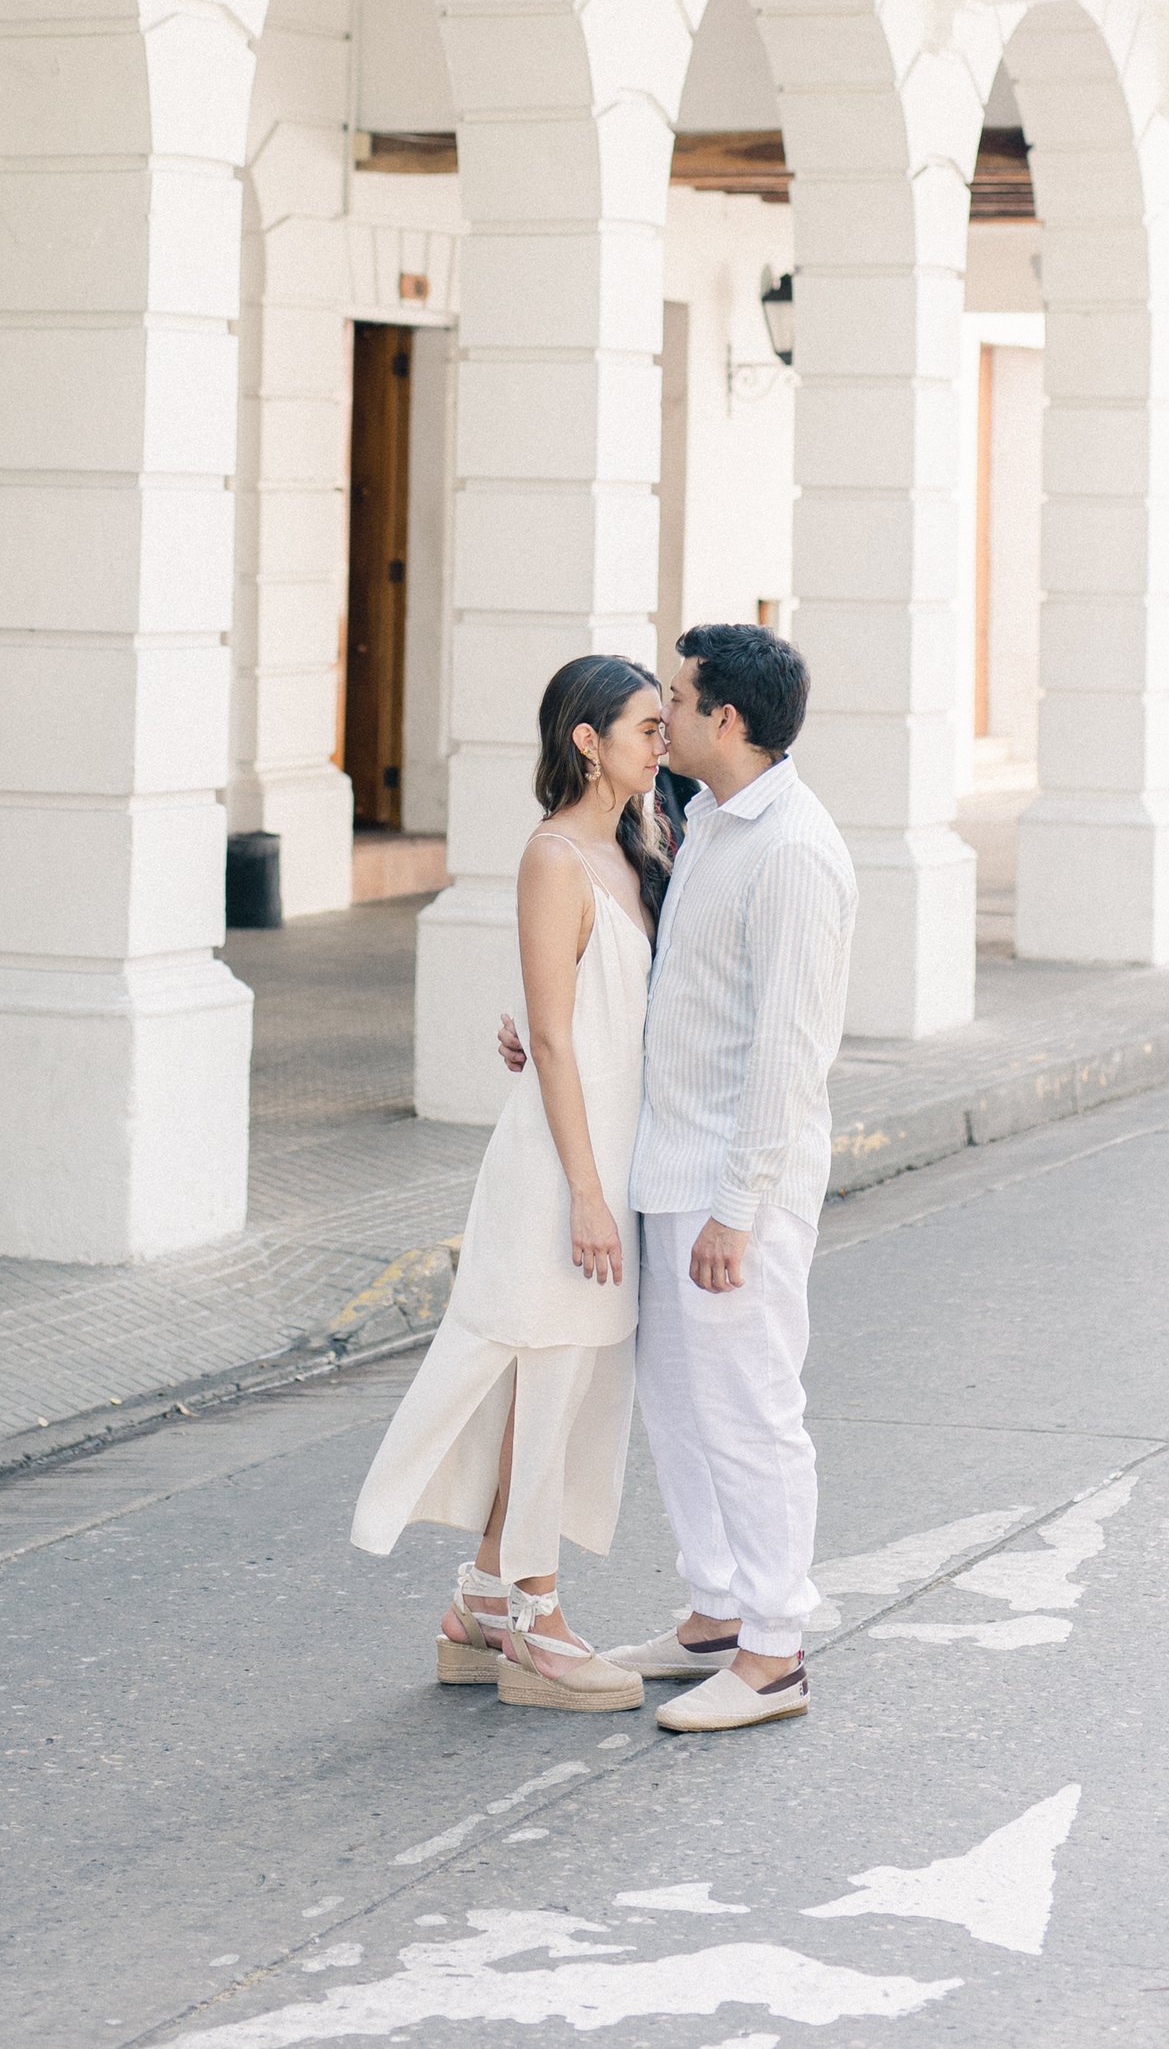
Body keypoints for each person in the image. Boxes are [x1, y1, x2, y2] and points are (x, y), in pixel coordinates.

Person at [501, 620, 856, 1736]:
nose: (667, 711)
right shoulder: (704, 820)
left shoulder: (792, 849)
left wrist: (738, 1210)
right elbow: (673, 989)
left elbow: (786, 1051)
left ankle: (773, 1651)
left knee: (750, 1409)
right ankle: (715, 1608)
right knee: (682, 1403)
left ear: (726, 722)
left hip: (726, 1185)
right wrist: (546, 1022)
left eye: (681, 698)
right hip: (665, 1162)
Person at [351, 654, 670, 1712]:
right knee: (541, 1375)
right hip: (560, 1167)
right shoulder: (553, 857)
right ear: (587, 740)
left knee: (565, 1384)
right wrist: (584, 1190)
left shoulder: (639, 846)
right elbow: (546, 1029)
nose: (660, 744)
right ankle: (535, 1616)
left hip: (613, 1150)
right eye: (643, 727)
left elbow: (591, 1012)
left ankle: (484, 1604)